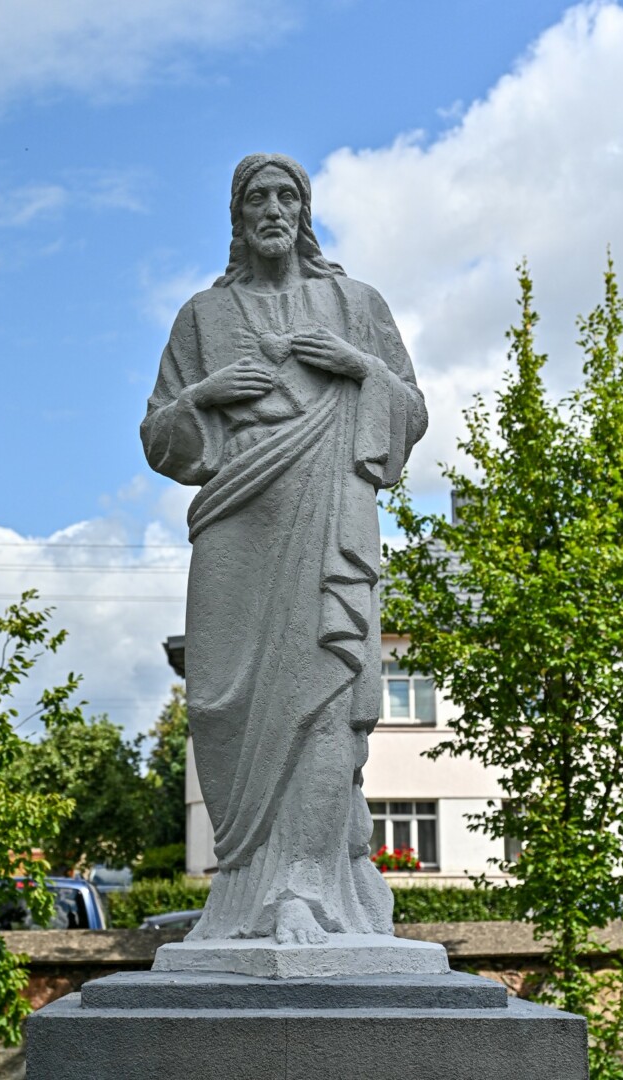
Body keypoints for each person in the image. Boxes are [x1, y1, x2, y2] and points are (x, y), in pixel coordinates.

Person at [141, 153, 427, 944]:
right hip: (234, 520)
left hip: (329, 513)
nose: (271, 208)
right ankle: (241, 887)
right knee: (216, 704)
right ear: (237, 217)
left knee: (325, 694)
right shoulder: (202, 317)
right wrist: (204, 396)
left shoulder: (355, 304)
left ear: (304, 212)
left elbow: (410, 411)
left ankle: (307, 886)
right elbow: (159, 437)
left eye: (285, 196)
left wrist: (357, 367)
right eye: (256, 198)